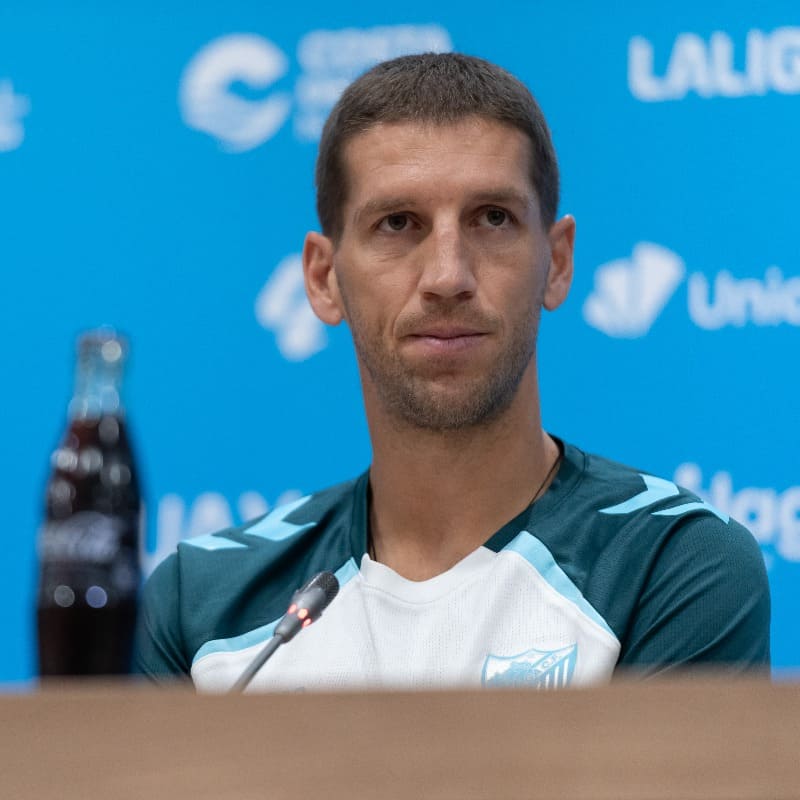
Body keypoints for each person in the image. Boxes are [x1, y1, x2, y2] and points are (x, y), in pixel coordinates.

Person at [134, 53, 770, 691]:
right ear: (324, 279)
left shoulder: (672, 564)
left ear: (557, 261)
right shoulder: (203, 603)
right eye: (398, 223)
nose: (447, 277)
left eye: (493, 218)